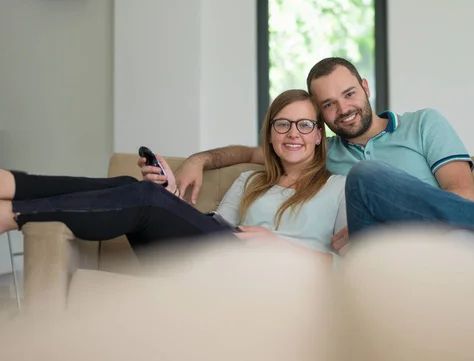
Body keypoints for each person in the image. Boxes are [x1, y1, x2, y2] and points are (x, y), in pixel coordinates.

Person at [169, 57, 474, 259]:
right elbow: (251, 151)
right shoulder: (322, 151)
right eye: (330, 105)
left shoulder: (424, 123)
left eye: (349, 94)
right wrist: (199, 159)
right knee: (363, 176)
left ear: (366, 88)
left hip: (440, 237)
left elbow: (461, 194)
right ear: (322, 120)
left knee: (371, 176)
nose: (344, 109)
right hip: (370, 252)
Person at [0, 90, 346, 267]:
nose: (293, 134)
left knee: (146, 197)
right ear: (270, 134)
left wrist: (277, 245)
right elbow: (209, 227)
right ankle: (13, 185)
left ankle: (14, 211)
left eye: (305, 125)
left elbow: (351, 265)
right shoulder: (250, 181)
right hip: (216, 261)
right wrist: (171, 195)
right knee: (133, 187)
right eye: (282, 124)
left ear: (319, 135)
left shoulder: (340, 188)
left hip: (268, 275)